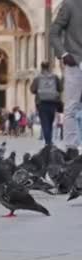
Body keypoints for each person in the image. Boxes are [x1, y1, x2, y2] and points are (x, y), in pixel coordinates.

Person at [51, 0, 82, 150]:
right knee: (71, 107)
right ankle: (72, 149)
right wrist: (64, 54)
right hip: (76, 63)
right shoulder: (70, 4)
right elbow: (54, 31)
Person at [31, 61, 62, 145]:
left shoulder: (37, 78)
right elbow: (60, 88)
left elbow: (32, 90)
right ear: (49, 67)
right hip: (52, 102)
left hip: (41, 103)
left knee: (45, 123)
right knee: (50, 122)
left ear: (41, 67)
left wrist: (40, 91)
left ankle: (48, 142)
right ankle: (49, 140)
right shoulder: (55, 77)